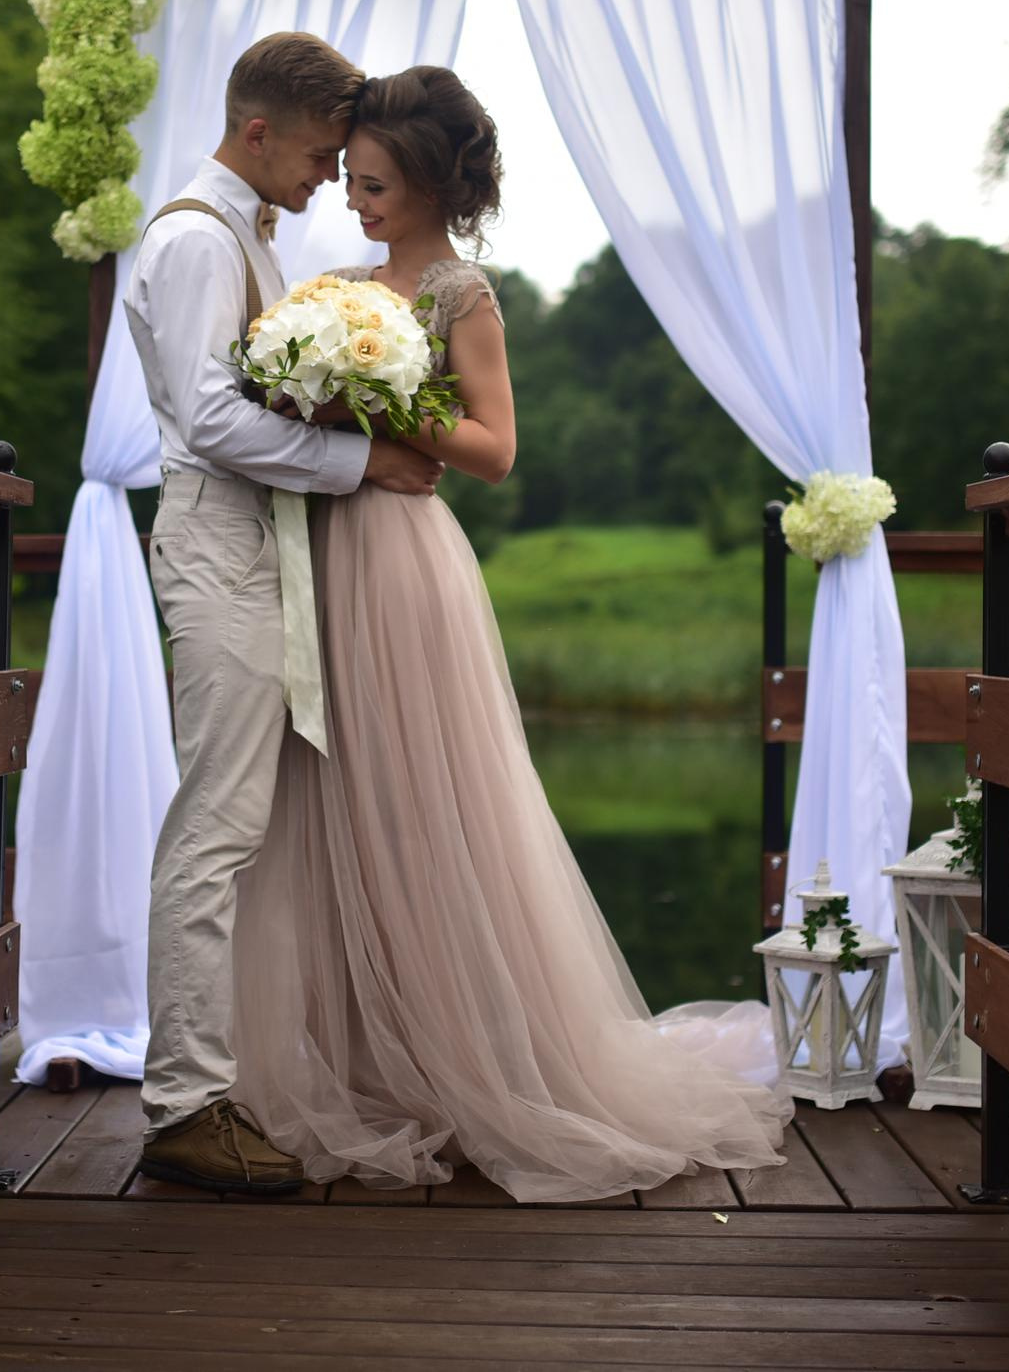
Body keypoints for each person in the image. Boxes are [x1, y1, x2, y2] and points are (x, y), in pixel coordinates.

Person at [229, 64, 793, 1201]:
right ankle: (360, 1066)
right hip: (318, 554)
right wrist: (304, 387)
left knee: (417, 804)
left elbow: (493, 448)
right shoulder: (336, 288)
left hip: (401, 564)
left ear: (430, 185)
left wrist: (383, 396)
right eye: (350, 179)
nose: (354, 201)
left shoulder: (459, 295)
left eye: (375, 184)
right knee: (326, 806)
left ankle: (468, 1068)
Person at [121, 31, 445, 1194]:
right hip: (218, 544)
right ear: (256, 132)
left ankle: (252, 1073)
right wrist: (364, 460)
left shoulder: (242, 236)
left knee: (248, 825)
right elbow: (211, 418)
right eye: (316, 157)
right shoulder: (195, 241)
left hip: (259, 545)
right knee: (214, 828)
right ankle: (184, 1104)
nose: (324, 179)